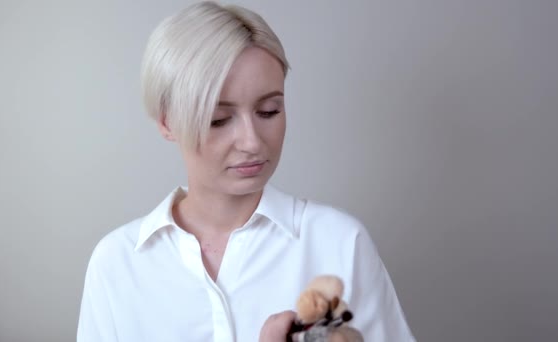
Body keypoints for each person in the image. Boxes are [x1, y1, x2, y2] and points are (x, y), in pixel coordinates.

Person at [77, 2, 415, 341]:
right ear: (167, 121)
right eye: (219, 119)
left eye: (269, 111)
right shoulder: (117, 263)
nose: (252, 142)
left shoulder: (340, 243)